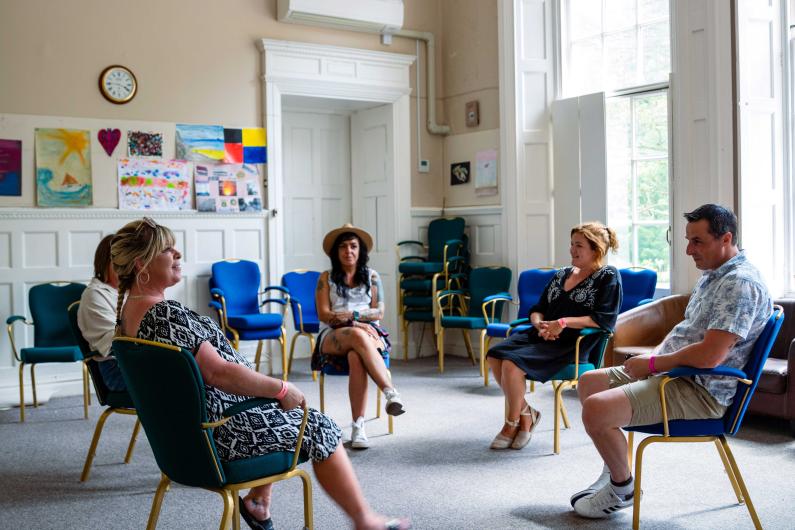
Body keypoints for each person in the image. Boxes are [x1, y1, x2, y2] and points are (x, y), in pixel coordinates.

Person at [111, 217, 409, 530]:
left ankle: (258, 500)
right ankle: (365, 521)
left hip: (184, 444)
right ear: (141, 264)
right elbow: (219, 373)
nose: (178, 254)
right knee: (320, 425)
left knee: (280, 409)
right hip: (223, 434)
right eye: (167, 250)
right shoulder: (164, 315)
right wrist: (280, 388)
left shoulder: (128, 318)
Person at [571, 204, 772, 519]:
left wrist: (652, 365)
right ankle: (615, 468)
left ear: (726, 238)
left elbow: (710, 355)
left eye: (697, 241)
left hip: (700, 390)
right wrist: (654, 359)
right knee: (589, 382)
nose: (689, 249)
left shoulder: (740, 284)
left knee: (596, 409)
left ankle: (622, 488)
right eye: (688, 240)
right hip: (677, 374)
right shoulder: (715, 274)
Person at [486, 222, 622, 450]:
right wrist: (539, 324)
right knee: (494, 354)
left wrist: (562, 323)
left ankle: (512, 423)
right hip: (541, 335)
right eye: (571, 244)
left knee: (512, 364)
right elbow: (538, 307)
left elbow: (604, 319)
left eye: (578, 245)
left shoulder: (608, 276)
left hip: (572, 344)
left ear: (595, 249)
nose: (572, 250)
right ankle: (526, 414)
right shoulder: (562, 274)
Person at [313, 224, 405, 450]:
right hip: (334, 335)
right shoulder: (325, 278)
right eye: (343, 247)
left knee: (356, 356)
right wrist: (354, 321)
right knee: (356, 334)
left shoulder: (372, 277)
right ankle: (390, 392)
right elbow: (324, 314)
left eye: (353, 246)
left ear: (360, 250)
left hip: (368, 331)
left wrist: (354, 315)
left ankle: (358, 426)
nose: (348, 251)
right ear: (336, 252)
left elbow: (380, 312)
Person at [77, 234, 126, 391]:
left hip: (138, 363)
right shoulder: (94, 294)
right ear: (107, 263)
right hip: (117, 369)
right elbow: (116, 344)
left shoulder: (131, 291)